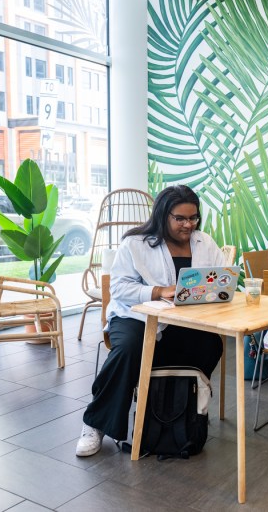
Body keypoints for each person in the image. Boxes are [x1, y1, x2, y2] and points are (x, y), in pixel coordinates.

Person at [76, 185, 226, 457]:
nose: (188, 225)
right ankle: (95, 423)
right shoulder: (136, 244)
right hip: (135, 316)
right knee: (131, 349)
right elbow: (119, 288)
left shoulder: (205, 242)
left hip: (183, 319)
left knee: (211, 344)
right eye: (180, 218)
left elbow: (219, 275)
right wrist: (157, 291)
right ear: (162, 215)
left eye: (193, 218)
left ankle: (179, 408)